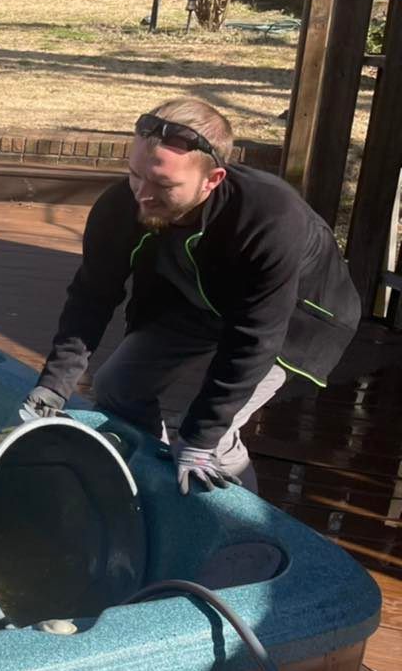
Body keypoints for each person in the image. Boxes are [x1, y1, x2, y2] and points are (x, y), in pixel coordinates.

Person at [22, 98, 360, 495]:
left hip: (293, 319)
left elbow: (255, 338)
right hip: (196, 298)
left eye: (163, 185)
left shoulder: (268, 218)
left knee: (209, 439)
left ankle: (241, 532)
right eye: (134, 175)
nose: (142, 196)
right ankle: (154, 486)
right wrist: (55, 382)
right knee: (117, 386)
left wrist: (201, 437)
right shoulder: (121, 206)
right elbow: (91, 296)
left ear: (212, 180)